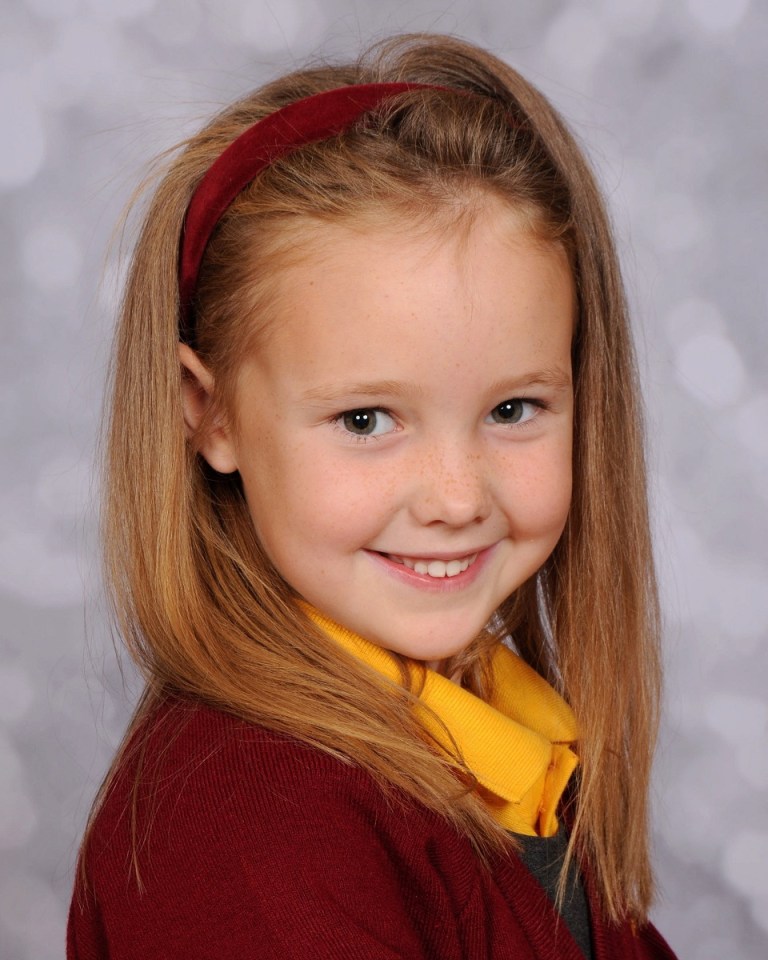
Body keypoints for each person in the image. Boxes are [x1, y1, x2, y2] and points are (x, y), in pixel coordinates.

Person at [67, 33, 678, 960]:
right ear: (212, 414)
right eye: (365, 421)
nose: (455, 497)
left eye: (513, 408)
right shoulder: (245, 836)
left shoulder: (499, 733)